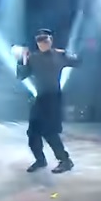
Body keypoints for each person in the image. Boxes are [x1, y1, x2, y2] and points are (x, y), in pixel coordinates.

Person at [16, 29, 78, 174]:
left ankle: (65, 161)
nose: (42, 43)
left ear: (50, 40)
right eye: (39, 40)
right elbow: (21, 76)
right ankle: (40, 160)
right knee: (33, 132)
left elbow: (78, 62)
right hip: (40, 98)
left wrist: (69, 54)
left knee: (50, 132)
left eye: (45, 40)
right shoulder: (33, 58)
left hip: (53, 98)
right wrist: (21, 60)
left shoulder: (59, 55)